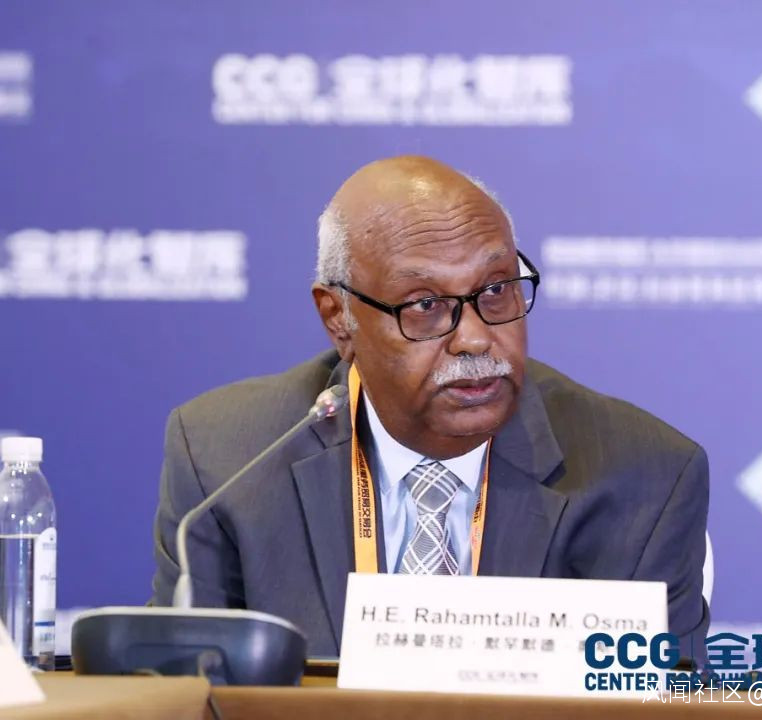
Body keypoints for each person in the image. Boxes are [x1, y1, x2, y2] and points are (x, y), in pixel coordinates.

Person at [151, 155, 710, 664]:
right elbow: (188, 691)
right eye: (425, 304)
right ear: (338, 318)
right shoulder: (226, 460)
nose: (475, 338)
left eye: (496, 290)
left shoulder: (645, 479)